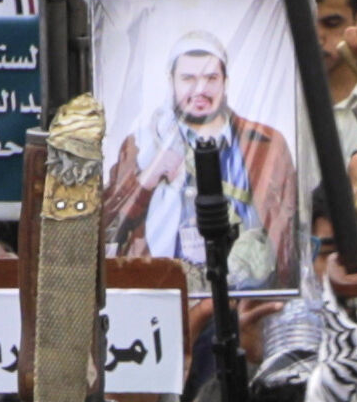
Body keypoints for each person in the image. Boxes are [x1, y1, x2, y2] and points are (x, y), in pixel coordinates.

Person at [102, 32, 307, 282]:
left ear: (225, 82)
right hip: (166, 298)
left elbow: (290, 232)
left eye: (210, 78)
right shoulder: (142, 144)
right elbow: (107, 227)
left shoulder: (268, 143)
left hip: (248, 301)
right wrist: (146, 179)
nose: (200, 90)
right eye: (188, 78)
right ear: (171, 82)